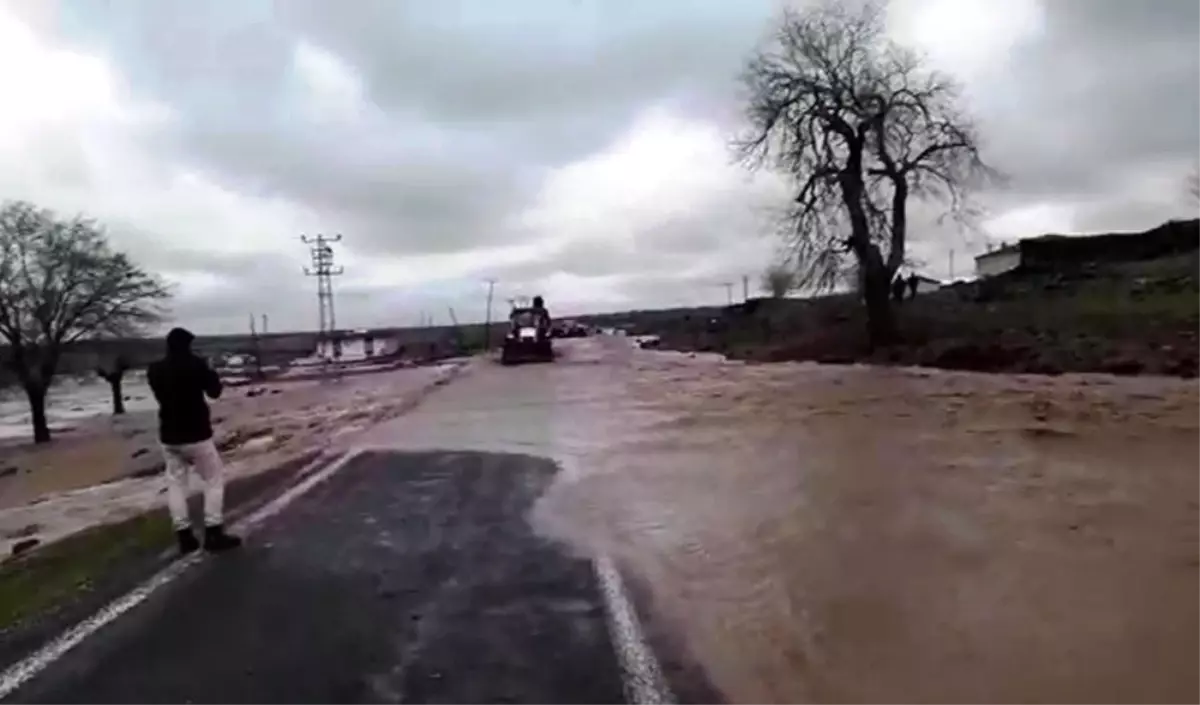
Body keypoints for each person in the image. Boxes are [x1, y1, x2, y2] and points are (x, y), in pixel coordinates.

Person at [147, 327, 242, 555]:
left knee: (176, 484)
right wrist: (210, 370)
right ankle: (213, 531)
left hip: (168, 434)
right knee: (213, 479)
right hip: (196, 433)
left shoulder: (155, 369)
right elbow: (214, 392)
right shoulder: (197, 365)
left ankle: (184, 536)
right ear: (188, 345)